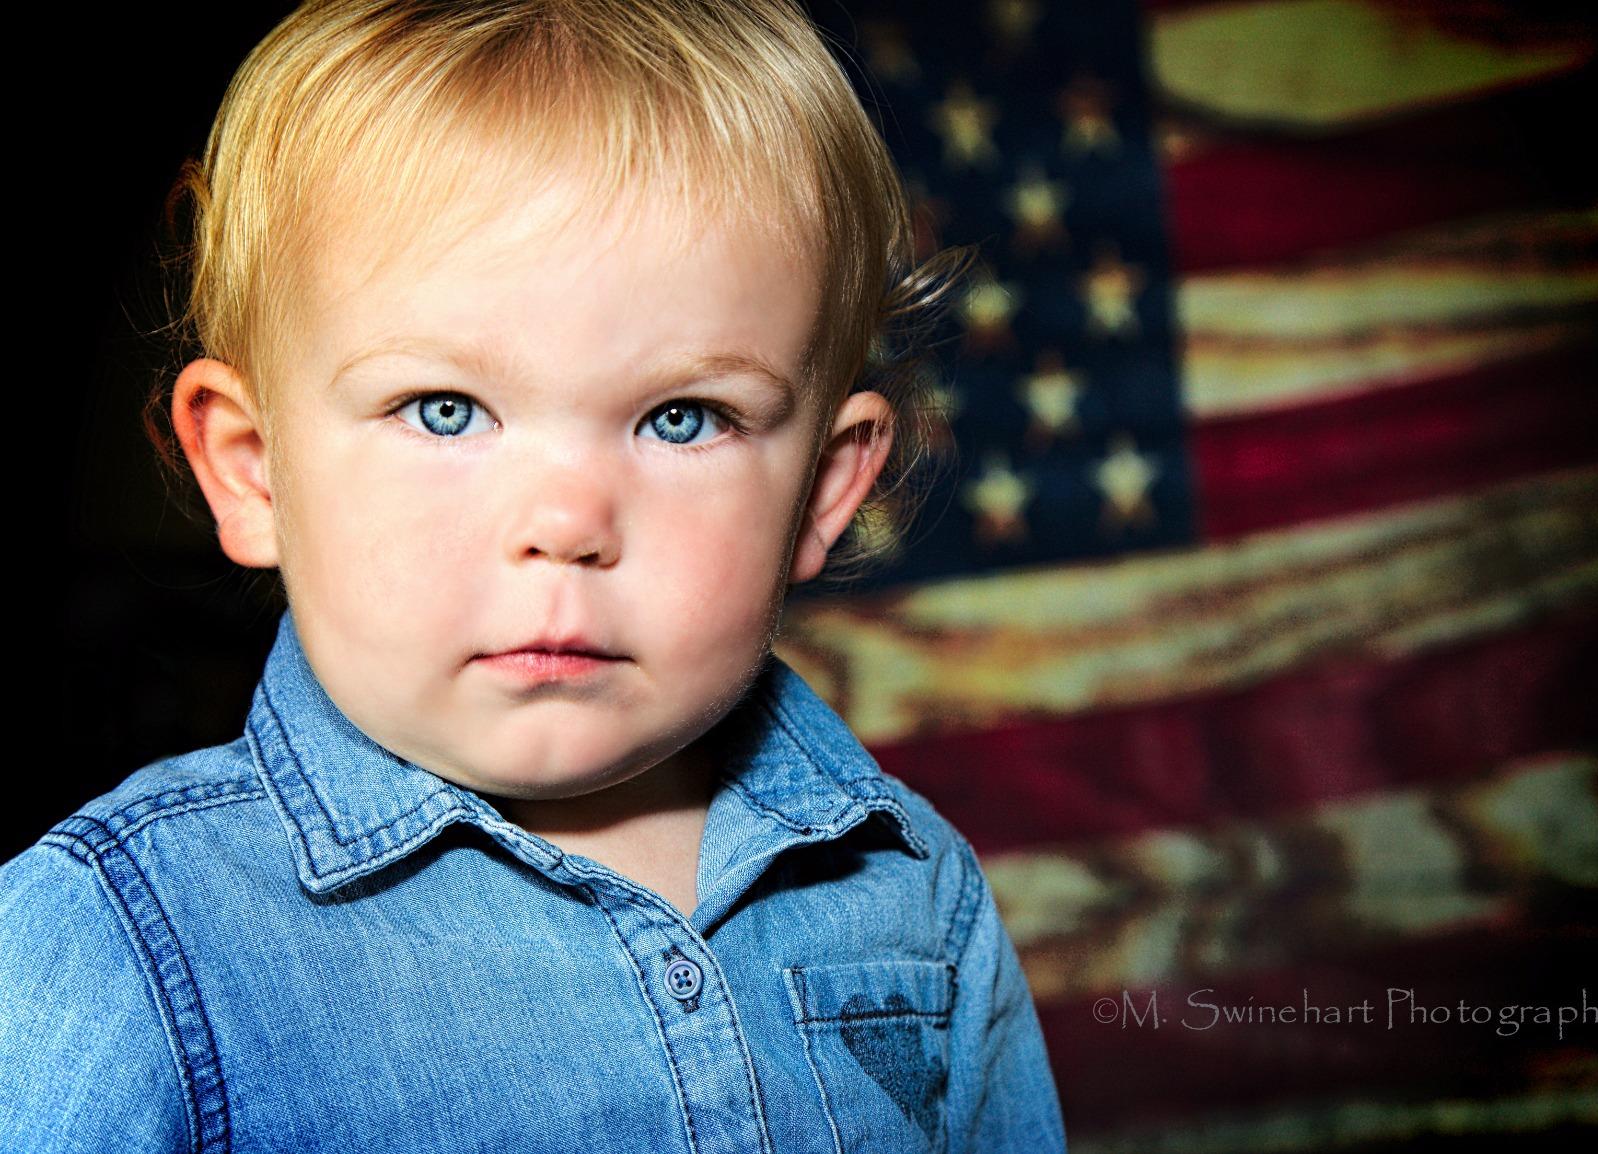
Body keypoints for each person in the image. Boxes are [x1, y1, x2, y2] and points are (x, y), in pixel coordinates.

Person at [0, 1, 1068, 1151]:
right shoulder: (114, 939)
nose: (565, 523)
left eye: (681, 417)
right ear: (255, 473)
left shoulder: (913, 894)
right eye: (444, 410)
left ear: (822, 489)